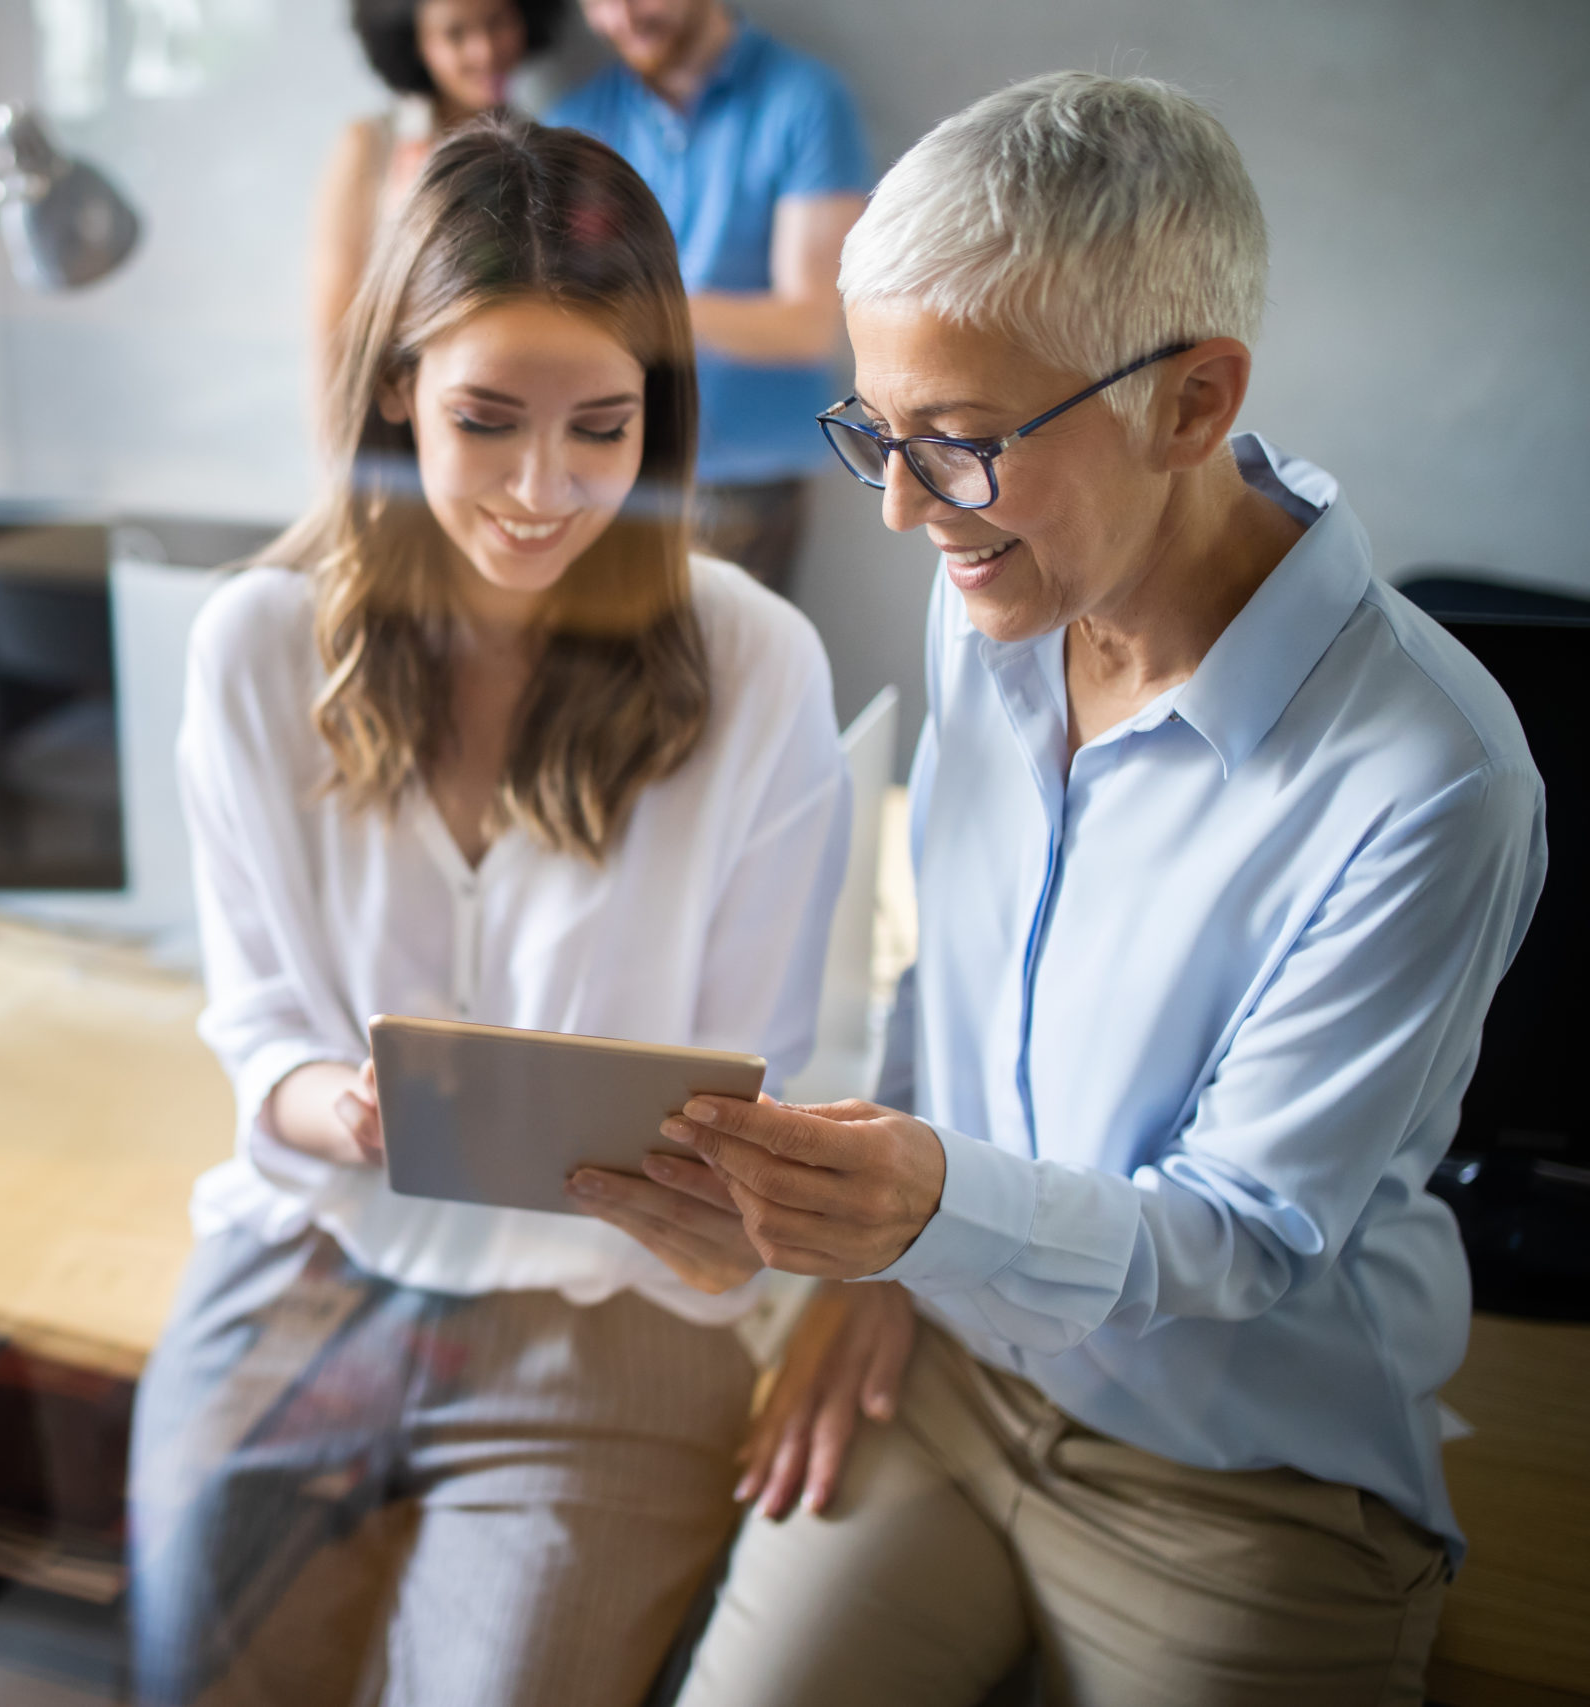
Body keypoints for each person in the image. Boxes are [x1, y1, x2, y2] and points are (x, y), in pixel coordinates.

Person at [573, 73, 1546, 1706]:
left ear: (1191, 400)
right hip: (942, 1366)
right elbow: (936, 971)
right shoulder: (1005, 602)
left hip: (1243, 1481)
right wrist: (887, 1267)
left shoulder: (1431, 776)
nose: (896, 508)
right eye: (876, 430)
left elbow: (1245, 1234)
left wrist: (935, 1214)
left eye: (954, 446)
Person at [130, 115, 850, 1707]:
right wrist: (343, 1107)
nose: (545, 491)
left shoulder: (754, 667)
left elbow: (769, 1071)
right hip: (311, 1258)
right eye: (486, 421)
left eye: (603, 427)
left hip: (609, 1308)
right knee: (192, 1676)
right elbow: (255, 1026)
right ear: (395, 383)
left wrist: (730, 1208)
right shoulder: (257, 648)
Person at [546, 0, 869, 597]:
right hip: (604, 473)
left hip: (746, 484)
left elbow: (812, 324)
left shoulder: (805, 101)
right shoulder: (573, 123)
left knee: (728, 680)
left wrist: (645, 310)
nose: (621, 18)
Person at [307, 0, 565, 386]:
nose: (485, 51)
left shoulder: (550, 150)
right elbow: (332, 324)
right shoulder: (370, 146)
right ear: (416, 43)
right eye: (455, 34)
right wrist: (338, 439)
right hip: (394, 406)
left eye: (498, 22)